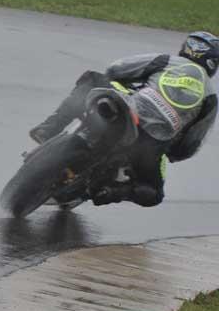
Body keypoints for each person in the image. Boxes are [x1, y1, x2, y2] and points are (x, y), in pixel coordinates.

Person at [29, 31, 218, 207]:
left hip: (128, 108)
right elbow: (191, 142)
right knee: (154, 194)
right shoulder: (210, 97)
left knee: (93, 79)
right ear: (212, 63)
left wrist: (129, 84)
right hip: (151, 144)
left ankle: (49, 128)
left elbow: (116, 69)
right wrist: (172, 152)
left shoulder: (168, 61)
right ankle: (111, 192)